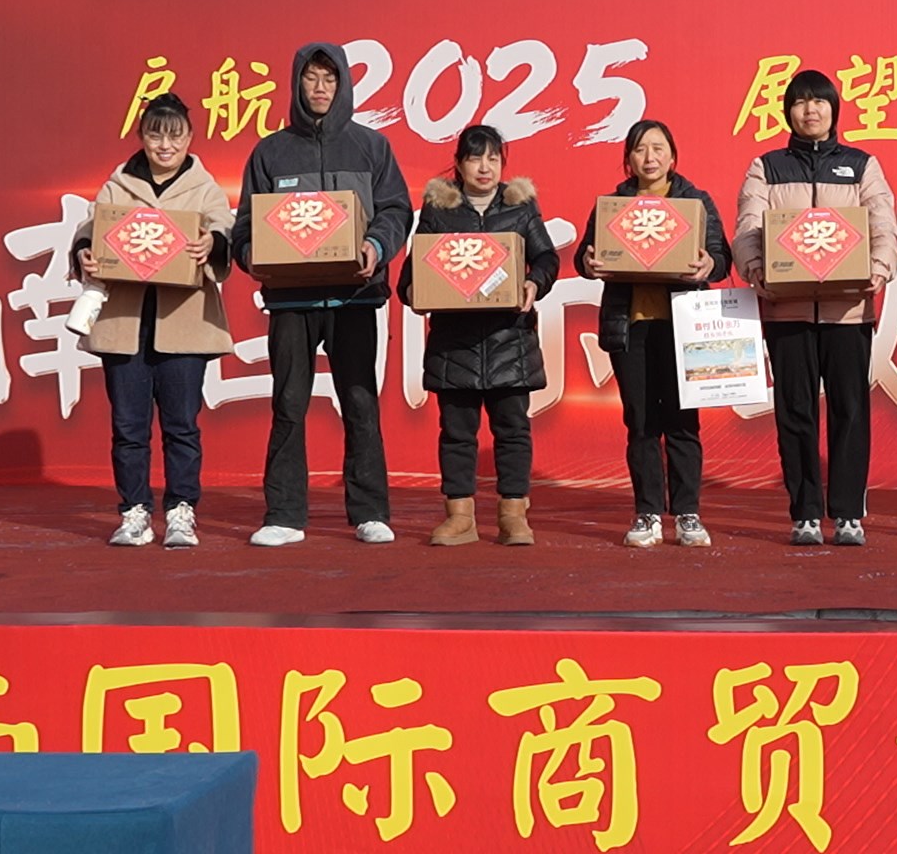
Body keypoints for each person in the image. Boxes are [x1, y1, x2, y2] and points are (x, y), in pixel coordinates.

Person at [230, 43, 412, 546]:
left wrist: (376, 246)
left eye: (330, 80)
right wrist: (252, 255)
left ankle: (370, 512)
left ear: (344, 85)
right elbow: (245, 225)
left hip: (355, 296)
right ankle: (284, 515)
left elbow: (396, 210)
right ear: (297, 84)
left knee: (360, 401)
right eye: (311, 78)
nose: (320, 88)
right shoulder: (271, 151)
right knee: (289, 403)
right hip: (292, 301)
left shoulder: (371, 147)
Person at [732, 70, 897, 546]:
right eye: (801, 102)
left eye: (820, 102)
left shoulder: (861, 165)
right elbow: (748, 226)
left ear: (834, 109)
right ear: (788, 111)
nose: (811, 110)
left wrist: (879, 269)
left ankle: (848, 514)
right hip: (788, 310)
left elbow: (883, 225)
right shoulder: (768, 166)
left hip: (848, 310)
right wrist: (756, 269)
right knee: (795, 412)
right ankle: (804, 513)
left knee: (850, 410)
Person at [73, 93, 234, 547]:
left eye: (175, 136)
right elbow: (92, 227)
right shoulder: (119, 184)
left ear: (190, 138)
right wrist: (84, 251)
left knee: (182, 425)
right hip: (125, 321)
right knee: (128, 427)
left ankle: (181, 511)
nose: (166, 146)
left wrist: (211, 243)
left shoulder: (204, 187)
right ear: (142, 137)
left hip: (184, 321)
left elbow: (223, 225)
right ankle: (134, 511)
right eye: (155, 135)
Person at [399, 125, 559, 547]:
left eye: (493, 159)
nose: (484, 168)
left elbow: (546, 257)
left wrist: (535, 283)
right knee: (456, 433)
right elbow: (412, 272)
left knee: (513, 431)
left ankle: (513, 516)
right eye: (475, 158)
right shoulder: (438, 210)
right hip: (455, 343)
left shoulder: (520, 207)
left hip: (510, 341)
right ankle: (460, 517)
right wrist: (415, 292)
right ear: (459, 164)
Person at [575, 119, 730, 548]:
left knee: (683, 421)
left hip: (683, 327)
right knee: (641, 422)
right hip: (631, 326)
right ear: (628, 159)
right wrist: (589, 262)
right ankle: (646, 513)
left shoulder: (694, 201)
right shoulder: (612, 206)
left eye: (659, 148)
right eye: (641, 149)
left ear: (673, 157)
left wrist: (708, 265)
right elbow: (585, 256)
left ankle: (688, 513)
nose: (650, 157)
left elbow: (720, 256)